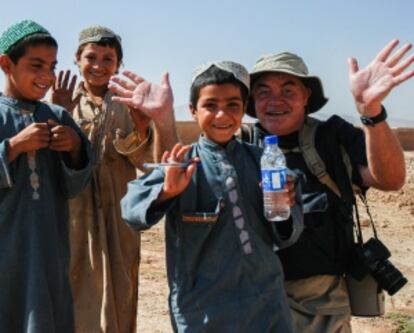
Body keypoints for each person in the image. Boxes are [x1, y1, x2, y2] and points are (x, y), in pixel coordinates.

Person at [110, 61, 302, 332]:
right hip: (203, 312)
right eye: (210, 105)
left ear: (244, 110)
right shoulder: (181, 164)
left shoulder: (264, 162)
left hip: (266, 305)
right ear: (193, 110)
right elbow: (130, 211)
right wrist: (167, 192)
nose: (222, 114)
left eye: (233, 105)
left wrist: (284, 205)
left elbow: (289, 234)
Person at [244, 41, 413, 332]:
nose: (276, 100)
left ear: (306, 96)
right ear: (252, 101)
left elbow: (390, 179)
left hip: (320, 303)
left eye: (288, 90)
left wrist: (371, 110)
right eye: (263, 91)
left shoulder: (332, 137)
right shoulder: (238, 146)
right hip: (251, 295)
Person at [50, 26, 177, 332]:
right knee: (74, 285)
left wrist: (141, 127)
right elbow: (49, 163)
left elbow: (144, 162)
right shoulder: (62, 101)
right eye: (91, 57)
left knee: (121, 288)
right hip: (73, 215)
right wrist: (56, 113)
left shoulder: (129, 103)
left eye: (108, 59)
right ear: (77, 59)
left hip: (118, 216)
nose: (99, 65)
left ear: (119, 64)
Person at [0, 20, 92, 332]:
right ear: (6, 64)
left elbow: (74, 185)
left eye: (51, 66)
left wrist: (75, 147)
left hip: (50, 244)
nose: (47, 77)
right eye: (36, 65)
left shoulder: (58, 117)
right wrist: (12, 147)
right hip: (7, 247)